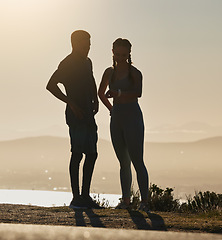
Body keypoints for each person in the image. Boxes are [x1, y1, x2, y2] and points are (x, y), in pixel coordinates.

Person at [46, 30, 102, 209]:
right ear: (75, 44)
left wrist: (96, 99)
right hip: (75, 115)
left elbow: (91, 79)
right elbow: (51, 85)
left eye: (90, 44)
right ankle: (76, 197)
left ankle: (85, 196)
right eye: (86, 44)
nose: (89, 47)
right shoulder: (67, 63)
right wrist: (71, 103)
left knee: (92, 154)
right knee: (77, 154)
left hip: (88, 114)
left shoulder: (88, 62)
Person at [98, 38, 149, 212]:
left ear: (129, 54)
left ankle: (144, 202)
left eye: (124, 55)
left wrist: (118, 93)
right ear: (112, 52)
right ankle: (125, 200)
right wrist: (111, 108)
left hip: (133, 117)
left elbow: (138, 93)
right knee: (123, 162)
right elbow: (100, 93)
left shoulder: (135, 73)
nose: (120, 58)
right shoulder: (108, 72)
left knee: (137, 161)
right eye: (117, 54)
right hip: (117, 118)